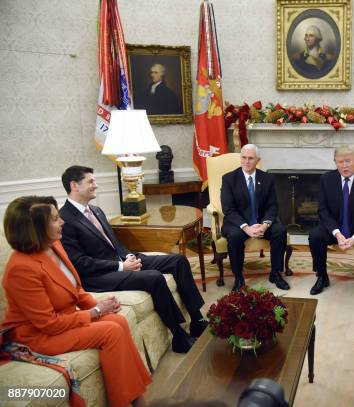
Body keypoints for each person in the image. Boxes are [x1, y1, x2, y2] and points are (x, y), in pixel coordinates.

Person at [2, 196, 151, 407]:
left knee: (118, 321)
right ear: (35, 228)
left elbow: (76, 290)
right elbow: (48, 324)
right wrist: (95, 312)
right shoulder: (21, 269)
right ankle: (129, 402)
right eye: (55, 219)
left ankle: (133, 397)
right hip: (38, 336)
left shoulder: (54, 245)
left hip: (64, 320)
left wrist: (99, 307)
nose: (62, 221)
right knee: (111, 330)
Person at [59, 166, 206, 354]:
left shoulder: (96, 210)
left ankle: (197, 320)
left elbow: (113, 243)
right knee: (153, 277)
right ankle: (178, 335)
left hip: (121, 261)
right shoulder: (65, 219)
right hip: (98, 275)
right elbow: (79, 263)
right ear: (74, 185)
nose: (96, 185)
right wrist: (121, 266)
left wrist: (128, 256)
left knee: (178, 260)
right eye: (91, 181)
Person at [309, 145, 354, 295]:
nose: (344, 166)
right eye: (340, 162)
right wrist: (336, 233)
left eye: (348, 161)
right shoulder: (326, 179)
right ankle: (322, 276)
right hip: (336, 225)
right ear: (335, 162)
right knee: (315, 237)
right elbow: (322, 210)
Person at [220, 144, 289, 292]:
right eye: (243, 157)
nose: (246, 161)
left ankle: (275, 273)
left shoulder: (267, 178)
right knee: (234, 236)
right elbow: (228, 209)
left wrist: (264, 225)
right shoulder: (229, 179)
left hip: (261, 222)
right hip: (237, 223)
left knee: (280, 231)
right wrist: (246, 227)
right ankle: (239, 278)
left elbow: (273, 206)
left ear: (258, 160)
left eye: (250, 158)